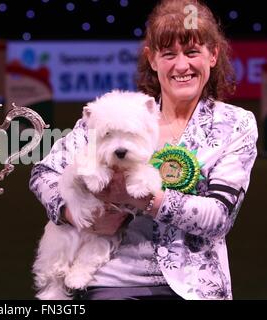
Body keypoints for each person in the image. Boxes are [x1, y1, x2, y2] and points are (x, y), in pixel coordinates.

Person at [29, 0, 258, 300]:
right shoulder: (116, 114)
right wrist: (75, 214)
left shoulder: (235, 124)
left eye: (192, 53)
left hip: (195, 288)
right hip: (112, 282)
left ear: (213, 55)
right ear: (152, 59)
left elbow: (218, 219)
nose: (181, 65)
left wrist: (144, 199)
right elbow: (42, 173)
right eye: (168, 54)